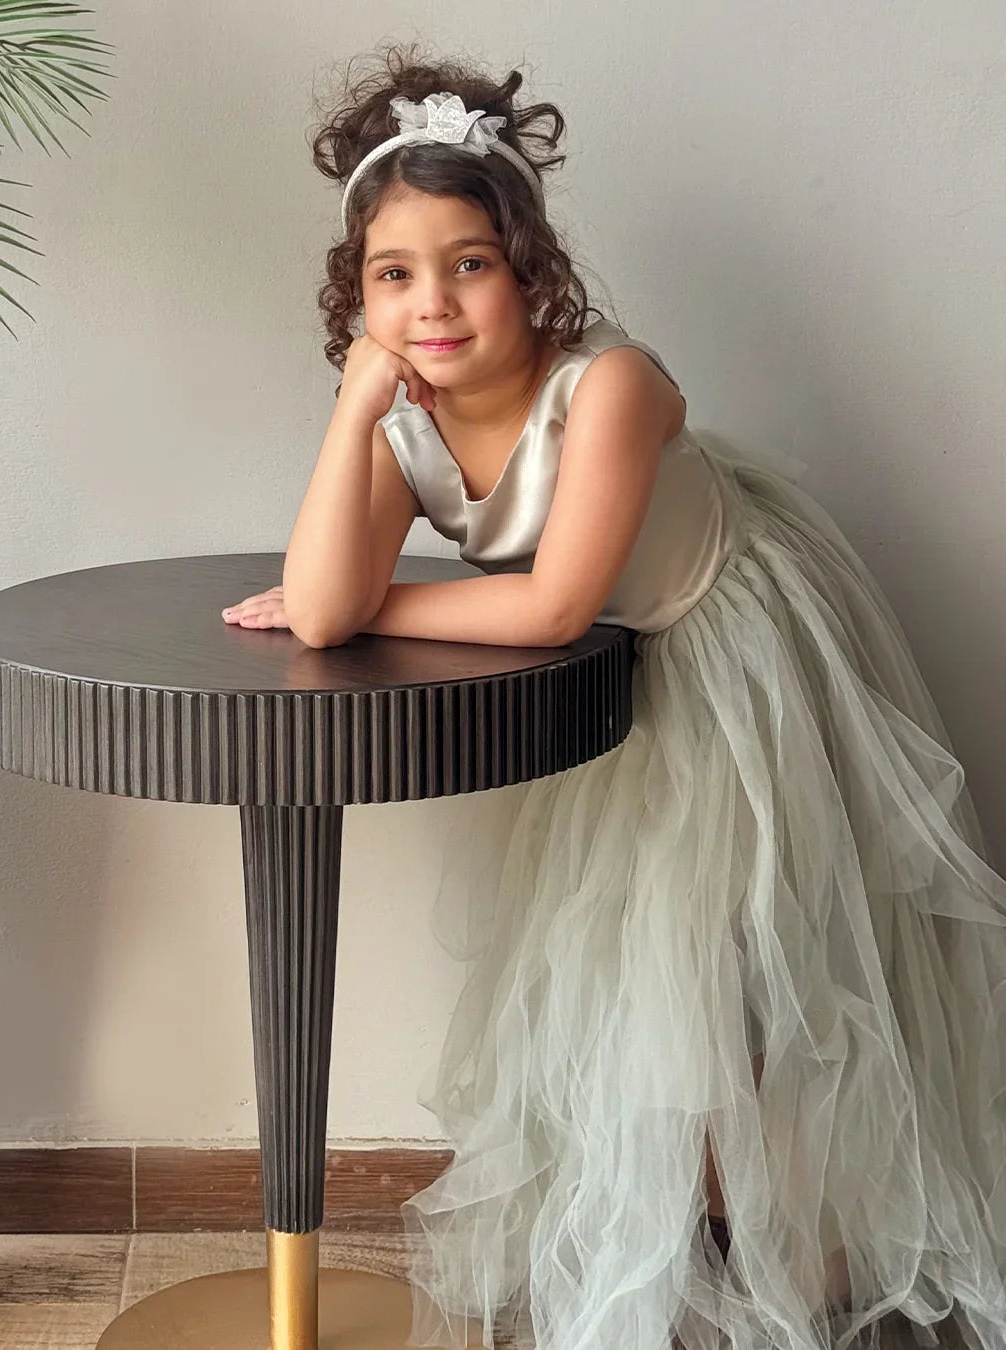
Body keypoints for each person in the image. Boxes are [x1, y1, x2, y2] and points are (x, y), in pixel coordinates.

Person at [222, 45, 1006, 1350]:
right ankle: (702, 1243)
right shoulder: (403, 414)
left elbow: (546, 607)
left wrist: (371, 603)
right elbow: (317, 597)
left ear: (529, 270)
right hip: (617, 694)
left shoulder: (611, 385)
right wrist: (354, 410)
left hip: (742, 654)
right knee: (643, 1003)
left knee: (771, 984)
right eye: (393, 274)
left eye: (469, 261)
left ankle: (814, 1262)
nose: (434, 302)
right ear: (356, 295)